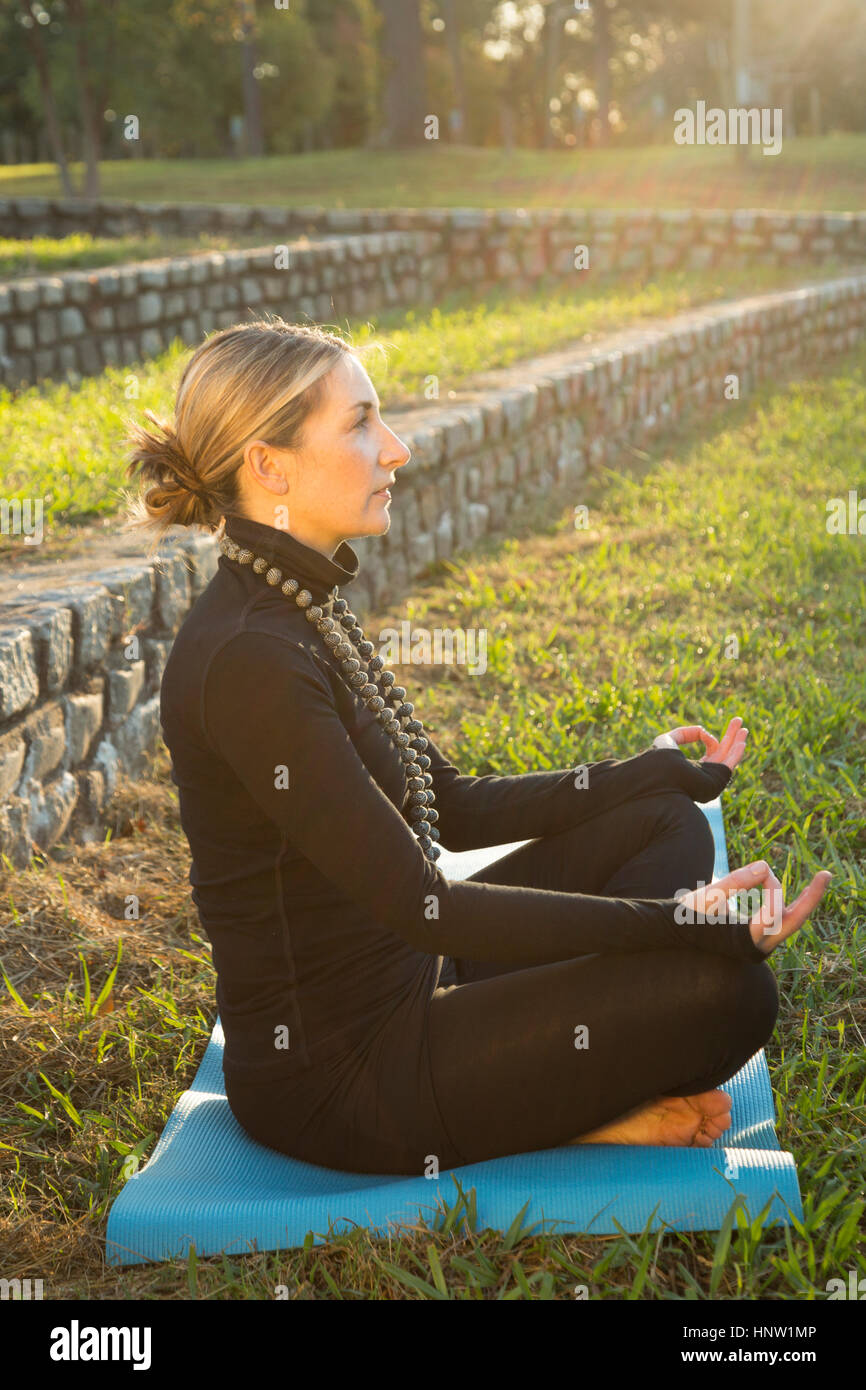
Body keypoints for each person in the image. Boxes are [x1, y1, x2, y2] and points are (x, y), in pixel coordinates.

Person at [121, 317, 832, 1176]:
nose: (397, 449)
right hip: (344, 1077)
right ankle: (583, 1114)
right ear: (268, 465)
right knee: (728, 994)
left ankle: (564, 1062)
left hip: (420, 969)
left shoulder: (296, 599)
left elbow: (448, 806)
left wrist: (643, 771)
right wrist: (682, 928)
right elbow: (428, 902)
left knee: (659, 817)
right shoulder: (250, 659)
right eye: (359, 423)